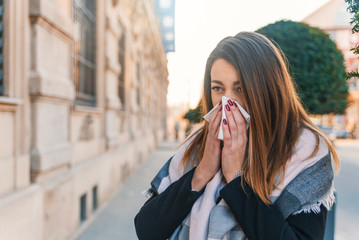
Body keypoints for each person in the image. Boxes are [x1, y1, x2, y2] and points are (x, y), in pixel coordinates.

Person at [134, 32, 339, 240]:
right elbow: (146, 230)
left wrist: (236, 179)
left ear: (267, 89)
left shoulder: (305, 152)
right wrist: (202, 172)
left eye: (240, 88)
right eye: (218, 88)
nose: (227, 102)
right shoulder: (199, 143)